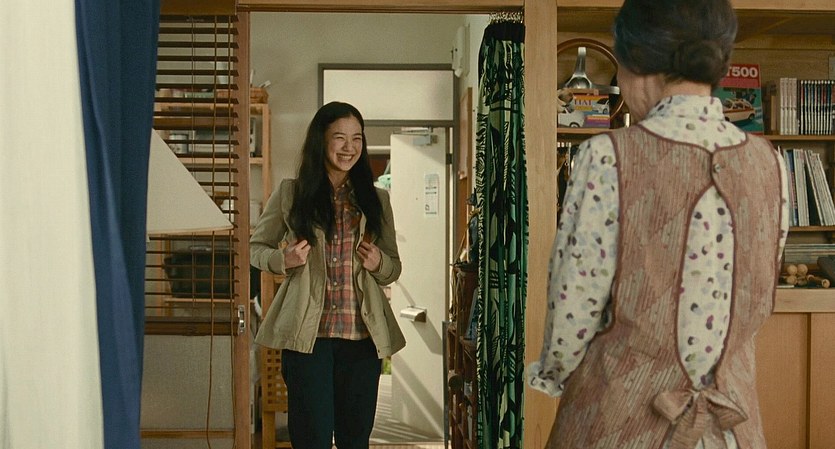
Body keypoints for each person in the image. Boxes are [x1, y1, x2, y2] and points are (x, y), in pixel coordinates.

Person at [527, 0, 789, 448]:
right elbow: (758, 297)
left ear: (636, 60)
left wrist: (552, 372)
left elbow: (575, 305)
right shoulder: (771, 163)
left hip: (619, 421)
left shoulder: (608, 157)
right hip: (731, 427)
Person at [251, 101, 405, 449]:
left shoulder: (376, 200)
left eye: (357, 138)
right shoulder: (291, 193)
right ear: (321, 139)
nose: (349, 147)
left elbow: (393, 268)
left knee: (355, 441)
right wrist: (283, 259)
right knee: (311, 439)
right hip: (308, 341)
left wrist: (378, 262)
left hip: (361, 341)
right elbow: (256, 248)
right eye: (340, 137)